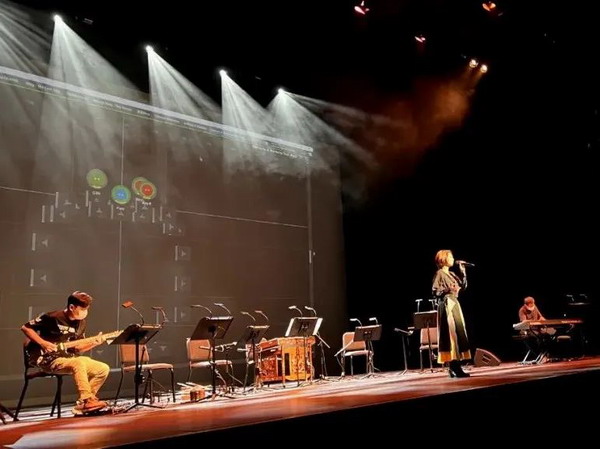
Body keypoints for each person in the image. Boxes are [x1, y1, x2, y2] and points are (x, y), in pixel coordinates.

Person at [21, 291, 110, 415]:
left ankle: (84, 403)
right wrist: (43, 343)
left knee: (102, 368)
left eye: (86, 309)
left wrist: (95, 343)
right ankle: (87, 400)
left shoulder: (81, 323)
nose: (85, 312)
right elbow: (26, 327)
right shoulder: (53, 317)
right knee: (78, 363)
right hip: (49, 360)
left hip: (69, 359)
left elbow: (78, 348)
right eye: (82, 309)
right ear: (72, 307)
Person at [432, 249, 471, 377]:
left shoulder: (452, 274)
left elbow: (462, 287)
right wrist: (447, 289)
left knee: (459, 333)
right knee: (451, 335)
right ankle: (454, 366)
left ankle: (455, 366)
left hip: (454, 303)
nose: (453, 259)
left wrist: (463, 271)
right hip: (447, 304)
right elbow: (435, 291)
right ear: (443, 259)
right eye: (450, 257)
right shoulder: (439, 274)